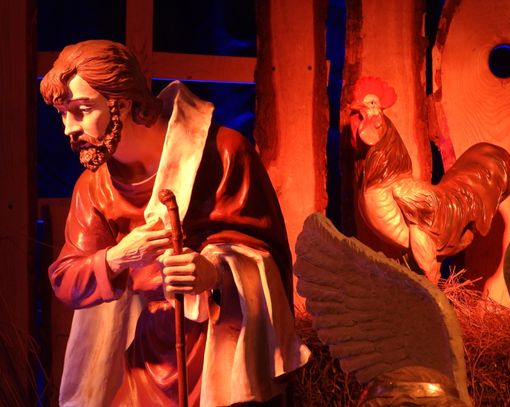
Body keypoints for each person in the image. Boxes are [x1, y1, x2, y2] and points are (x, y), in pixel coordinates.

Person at [40, 40, 310, 406]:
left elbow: (270, 259)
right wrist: (118, 257)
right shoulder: (94, 187)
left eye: (81, 110)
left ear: (123, 102)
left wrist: (215, 273)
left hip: (222, 352)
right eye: (62, 114)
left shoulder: (223, 155)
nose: (69, 129)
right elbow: (66, 279)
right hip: (149, 355)